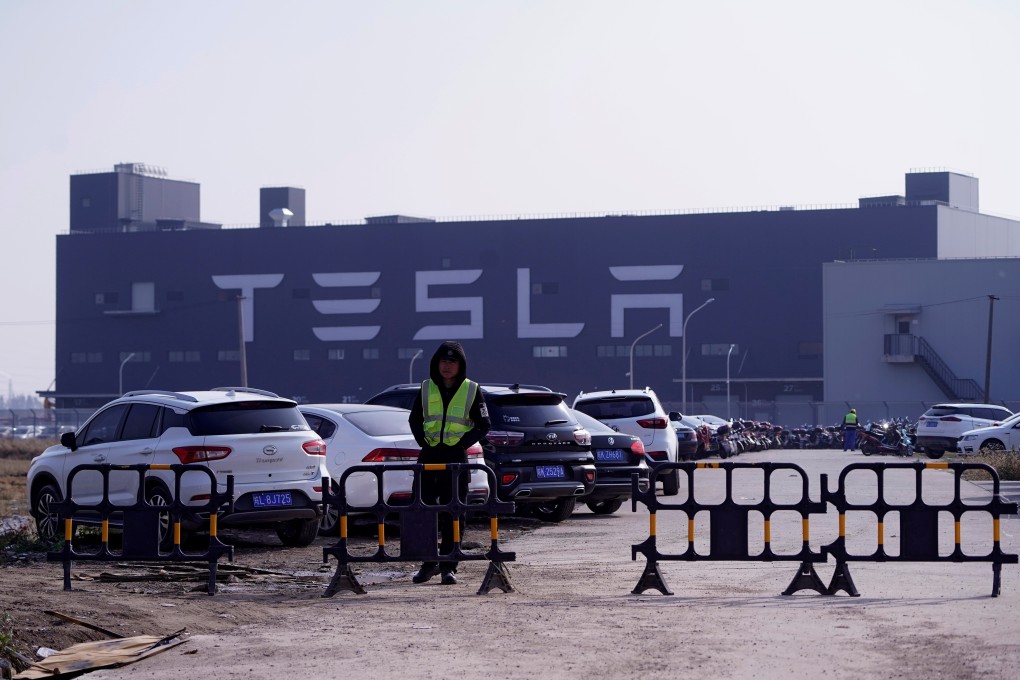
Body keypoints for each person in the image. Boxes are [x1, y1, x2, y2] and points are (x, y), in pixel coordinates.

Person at [408, 340, 490, 585]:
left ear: (460, 365)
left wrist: (461, 444)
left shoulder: (472, 389)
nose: (447, 366)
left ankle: (448, 566)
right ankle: (428, 564)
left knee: (453, 512)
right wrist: (423, 441)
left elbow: (484, 424)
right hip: (429, 455)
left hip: (455, 458)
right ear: (436, 363)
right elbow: (414, 419)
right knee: (423, 510)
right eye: (443, 361)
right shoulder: (426, 388)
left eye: (452, 362)